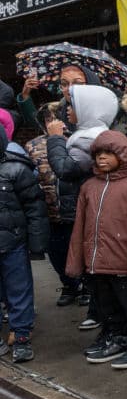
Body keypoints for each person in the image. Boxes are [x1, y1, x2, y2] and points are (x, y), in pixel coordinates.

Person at [69, 131, 127, 369]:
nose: (102, 158)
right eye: (98, 154)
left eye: (109, 153)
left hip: (123, 261)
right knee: (105, 303)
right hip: (96, 261)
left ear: (123, 155)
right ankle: (115, 336)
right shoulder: (89, 187)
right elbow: (80, 226)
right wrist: (78, 259)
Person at [22, 64, 103, 308]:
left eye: (77, 83)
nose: (70, 89)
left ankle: (92, 293)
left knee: (87, 250)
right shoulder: (58, 114)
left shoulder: (97, 117)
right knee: (56, 249)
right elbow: (35, 120)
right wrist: (25, 96)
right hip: (54, 201)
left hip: (86, 199)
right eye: (65, 84)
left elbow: (71, 167)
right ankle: (70, 285)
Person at [47, 84, 118, 332]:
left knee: (96, 269)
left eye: (74, 105)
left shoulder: (89, 139)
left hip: (91, 210)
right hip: (89, 207)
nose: (68, 110)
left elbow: (67, 169)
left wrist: (55, 139)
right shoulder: (86, 133)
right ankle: (99, 313)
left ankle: (111, 322)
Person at [0, 118, 48, 362]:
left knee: (19, 290)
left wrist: (37, 244)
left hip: (13, 243)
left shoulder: (15, 170)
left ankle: (21, 336)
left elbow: (34, 208)